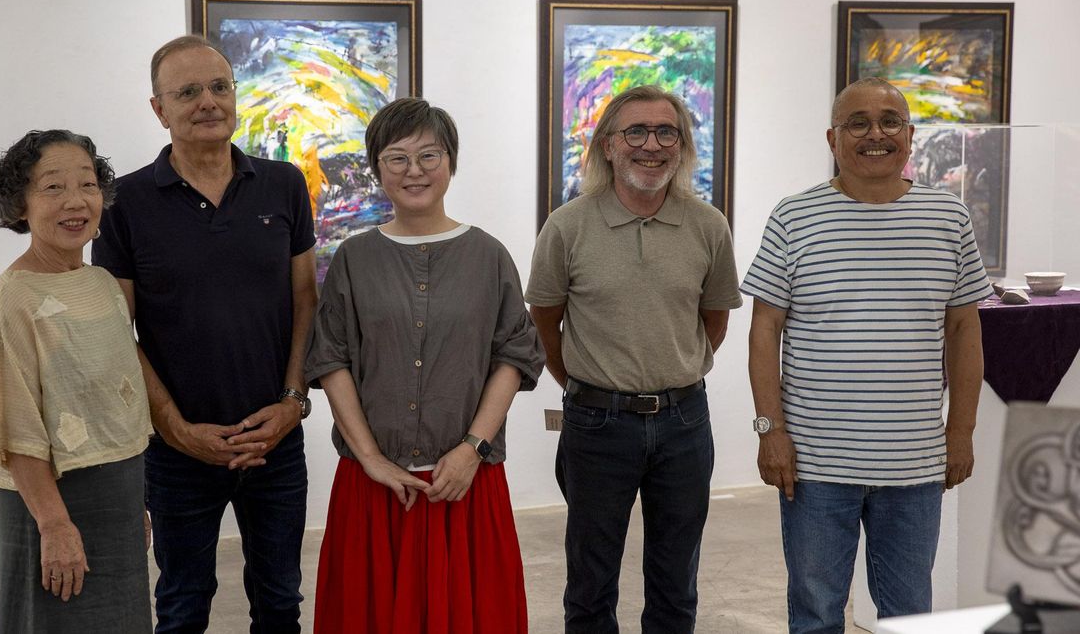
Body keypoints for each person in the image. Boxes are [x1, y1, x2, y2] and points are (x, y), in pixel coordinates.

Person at [741, 77, 990, 633]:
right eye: (858, 123)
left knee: (909, 614)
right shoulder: (793, 218)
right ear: (833, 138)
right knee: (815, 613)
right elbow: (763, 331)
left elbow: (964, 330)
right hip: (814, 464)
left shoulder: (949, 218)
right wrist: (769, 431)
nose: (875, 134)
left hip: (914, 463)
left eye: (889, 121)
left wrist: (961, 431)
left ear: (910, 135)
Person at [92, 35, 318, 633]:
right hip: (177, 453)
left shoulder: (283, 184)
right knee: (182, 606)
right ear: (159, 109)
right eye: (188, 92)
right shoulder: (123, 203)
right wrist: (175, 428)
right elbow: (117, 332)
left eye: (219, 87)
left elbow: (305, 301)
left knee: (281, 603)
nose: (207, 102)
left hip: (275, 443)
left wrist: (292, 402)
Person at [305, 96, 545, 634]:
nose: (414, 171)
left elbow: (515, 355)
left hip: (464, 482)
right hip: (374, 486)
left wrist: (471, 449)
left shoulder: (489, 256)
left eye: (428, 156)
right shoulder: (353, 258)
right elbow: (330, 359)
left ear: (450, 162)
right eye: (397, 158)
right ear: (377, 169)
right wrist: (371, 459)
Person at [526, 84, 742, 633]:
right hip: (596, 424)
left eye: (667, 132)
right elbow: (545, 321)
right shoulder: (567, 226)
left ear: (682, 145)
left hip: (684, 423)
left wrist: (672, 370)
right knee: (590, 582)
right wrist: (586, 384)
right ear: (607, 145)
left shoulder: (708, 226)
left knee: (676, 582)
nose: (652, 145)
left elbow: (713, 323)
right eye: (636, 131)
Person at [0, 129, 153, 632]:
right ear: (20, 203)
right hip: (53, 502)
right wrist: (54, 526)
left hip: (117, 495)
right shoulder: (16, 295)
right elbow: (15, 425)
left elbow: (117, 401)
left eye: (87, 185)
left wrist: (134, 502)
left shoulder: (102, 284)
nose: (75, 201)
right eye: (53, 187)